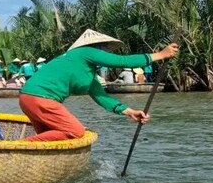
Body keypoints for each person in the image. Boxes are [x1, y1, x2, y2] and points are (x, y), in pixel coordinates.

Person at [19, 29, 177, 141]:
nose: (104, 51)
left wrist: (130, 112)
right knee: (75, 131)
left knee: (50, 139)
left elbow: (101, 96)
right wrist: (160, 55)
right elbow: (123, 61)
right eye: (103, 47)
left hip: (30, 98)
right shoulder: (85, 51)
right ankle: (19, 147)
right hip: (41, 98)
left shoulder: (87, 72)